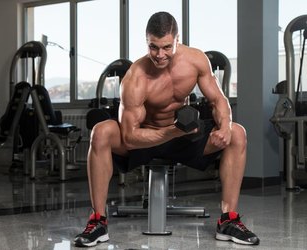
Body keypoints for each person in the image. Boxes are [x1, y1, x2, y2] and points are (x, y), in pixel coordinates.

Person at [74, 11, 260, 247]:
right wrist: (172, 131)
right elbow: (130, 138)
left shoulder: (195, 60)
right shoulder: (136, 78)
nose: (160, 55)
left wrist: (224, 125)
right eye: (153, 47)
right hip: (145, 139)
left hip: (183, 138)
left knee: (237, 133)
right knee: (101, 132)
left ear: (177, 39)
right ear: (146, 42)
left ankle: (228, 220)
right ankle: (98, 222)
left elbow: (218, 100)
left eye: (166, 47)